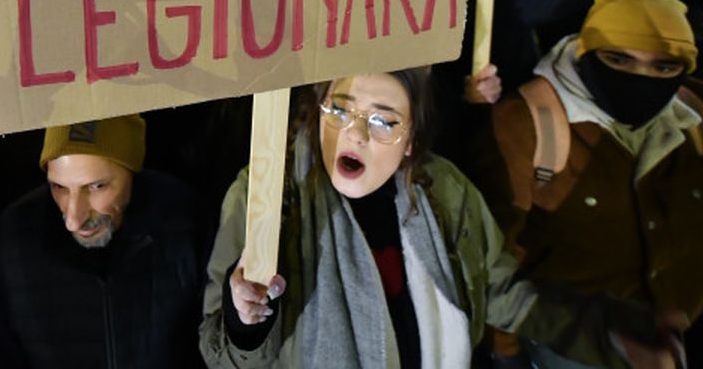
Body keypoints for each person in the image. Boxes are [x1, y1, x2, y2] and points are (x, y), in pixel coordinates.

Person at [200, 69, 670, 369]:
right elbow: (220, 354)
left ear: (410, 142)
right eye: (341, 109)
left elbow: (502, 293)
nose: (355, 133)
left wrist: (613, 334)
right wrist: (247, 321)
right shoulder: (265, 194)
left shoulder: (443, 188)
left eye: (383, 121)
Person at [472, 0, 703, 367]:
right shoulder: (525, 123)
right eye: (618, 59)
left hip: (673, 334)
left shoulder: (696, 110)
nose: (641, 77)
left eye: (664, 65)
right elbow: (491, 266)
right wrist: (506, 351)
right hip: (572, 345)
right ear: (587, 51)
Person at [0, 114, 208, 368]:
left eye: (96, 187)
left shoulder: (182, 222)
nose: (73, 218)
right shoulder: (11, 241)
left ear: (132, 172)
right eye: (59, 187)